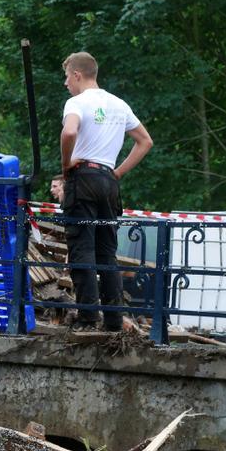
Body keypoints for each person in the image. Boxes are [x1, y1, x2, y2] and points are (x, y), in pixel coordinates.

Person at [59, 51, 153, 331]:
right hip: (108, 182)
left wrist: (66, 165)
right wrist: (119, 172)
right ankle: (113, 320)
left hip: (82, 177)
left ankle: (88, 318)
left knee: (82, 250)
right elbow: (145, 142)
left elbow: (69, 133)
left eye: (66, 77)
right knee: (106, 252)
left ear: (77, 74)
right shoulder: (119, 104)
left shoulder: (76, 102)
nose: (65, 83)